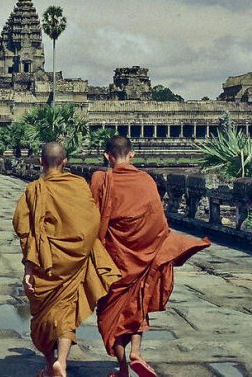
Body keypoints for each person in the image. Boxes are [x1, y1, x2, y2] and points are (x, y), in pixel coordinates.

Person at [90, 136, 210, 377]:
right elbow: (159, 223)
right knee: (138, 303)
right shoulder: (146, 180)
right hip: (144, 256)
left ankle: (123, 369)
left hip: (114, 259)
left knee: (111, 314)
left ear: (107, 156)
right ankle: (136, 352)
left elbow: (92, 218)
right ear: (132, 154)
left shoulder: (100, 179)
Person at [13, 142, 121, 377]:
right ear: (65, 163)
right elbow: (92, 220)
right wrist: (82, 249)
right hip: (73, 261)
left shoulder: (34, 190)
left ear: (41, 162)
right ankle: (61, 361)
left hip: (45, 261)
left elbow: (25, 230)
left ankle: (49, 363)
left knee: (43, 314)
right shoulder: (78, 185)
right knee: (66, 311)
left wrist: (29, 267)